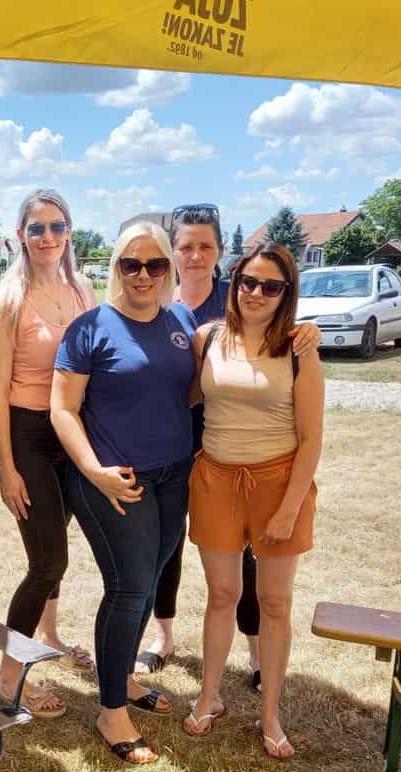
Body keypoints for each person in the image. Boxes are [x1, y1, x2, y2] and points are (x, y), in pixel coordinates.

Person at [141, 207, 321, 688]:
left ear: (221, 253)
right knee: (168, 547)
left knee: (249, 559)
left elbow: (281, 334)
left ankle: (258, 650)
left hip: (241, 450)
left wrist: (308, 331)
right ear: (171, 253)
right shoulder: (155, 299)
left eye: (205, 246)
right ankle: (163, 634)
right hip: (178, 445)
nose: (194, 255)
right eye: (185, 247)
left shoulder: (240, 298)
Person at [51, 222, 195, 765]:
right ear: (115, 268)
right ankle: (111, 712)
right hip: (115, 480)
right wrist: (95, 472)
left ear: (168, 270)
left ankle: (127, 680)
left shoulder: (180, 321)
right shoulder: (89, 328)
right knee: (129, 586)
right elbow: (62, 409)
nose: (142, 275)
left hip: (173, 475)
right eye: (130, 264)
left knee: (151, 579)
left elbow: (192, 385)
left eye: (155, 265)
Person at [184, 242, 324, 760]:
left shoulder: (298, 348)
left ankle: (270, 713)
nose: (256, 293)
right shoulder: (207, 338)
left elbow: (311, 438)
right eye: (248, 281)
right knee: (221, 595)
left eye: (271, 286)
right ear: (234, 282)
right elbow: (185, 397)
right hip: (216, 479)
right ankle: (209, 696)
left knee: (275, 602)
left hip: (277, 483)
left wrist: (288, 510)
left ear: (287, 293)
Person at [0, 189, 96, 719]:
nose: (47, 237)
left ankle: (48, 635)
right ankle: (8, 680)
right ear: (20, 235)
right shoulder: (8, 299)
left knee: (57, 547)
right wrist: (7, 468)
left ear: (69, 231)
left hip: (72, 433)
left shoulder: (82, 289)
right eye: (37, 228)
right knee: (48, 559)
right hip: (28, 434)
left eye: (56, 226)